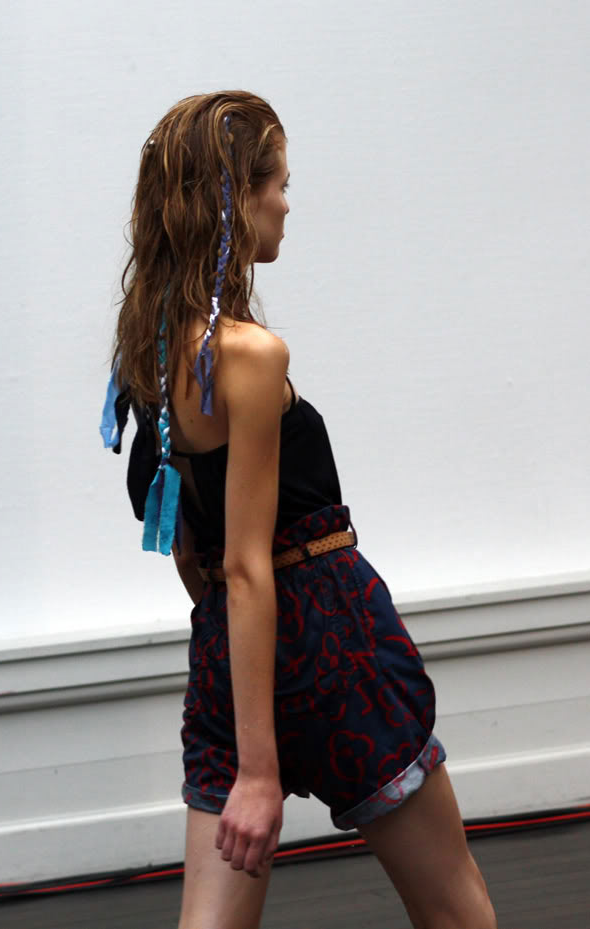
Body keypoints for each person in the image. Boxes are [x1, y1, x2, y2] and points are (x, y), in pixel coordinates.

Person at [101, 91, 497, 929]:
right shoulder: (249, 354)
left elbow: (193, 555)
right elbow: (247, 564)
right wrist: (259, 770)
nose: (286, 202)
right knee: (457, 914)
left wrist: (240, 689)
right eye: (277, 182)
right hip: (332, 646)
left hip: (229, 653)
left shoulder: (151, 349)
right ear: (234, 200)